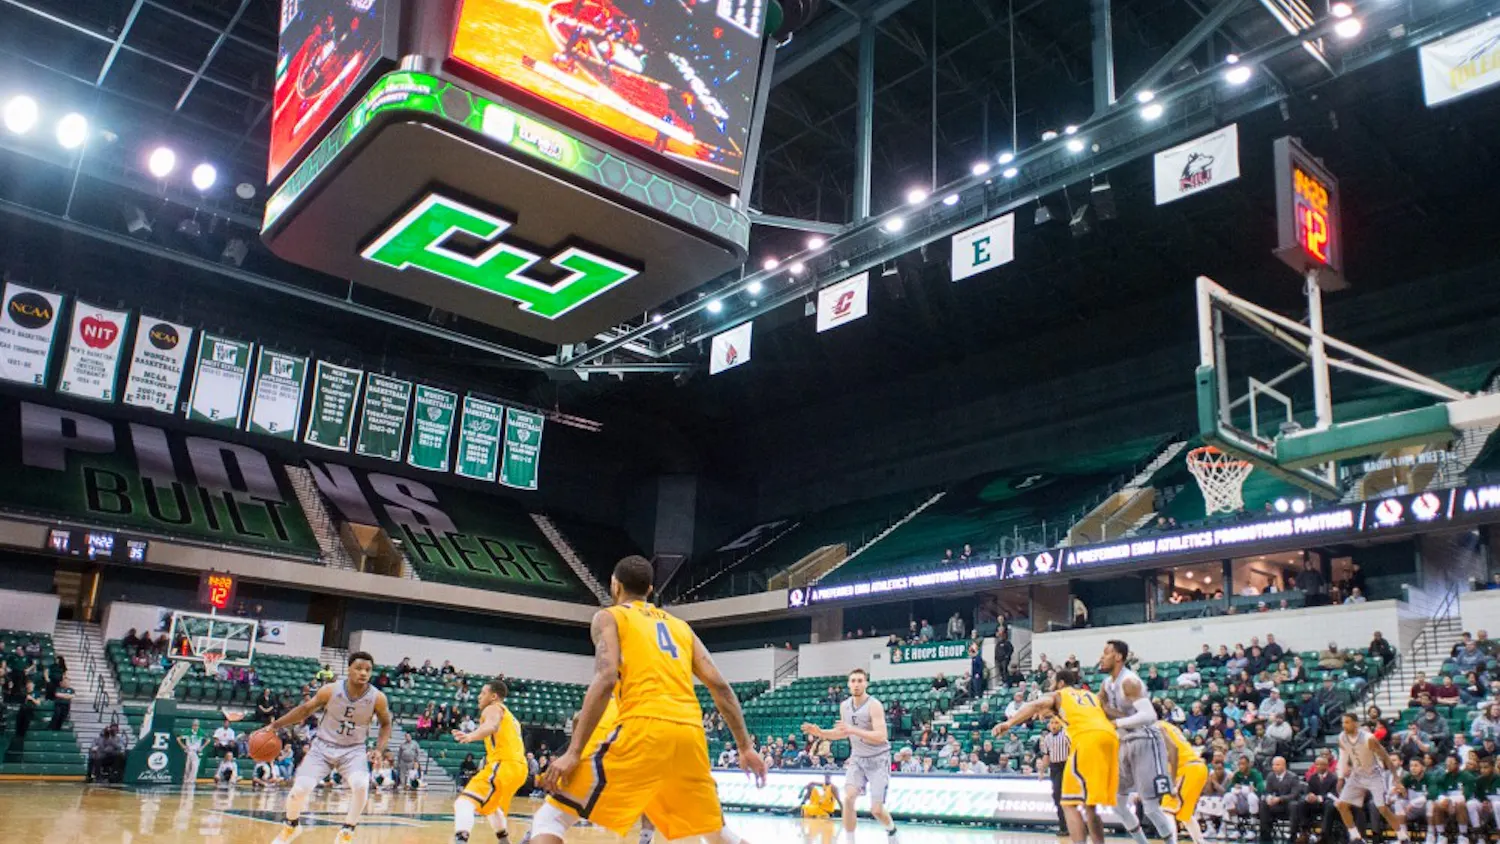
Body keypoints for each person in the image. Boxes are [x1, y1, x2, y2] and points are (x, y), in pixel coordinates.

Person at [531, 556, 766, 844]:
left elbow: (606, 678)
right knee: (717, 834)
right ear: (650, 590)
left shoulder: (610, 616)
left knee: (551, 817)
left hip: (643, 729)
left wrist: (572, 752)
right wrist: (745, 747)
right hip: (690, 736)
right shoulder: (682, 628)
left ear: (614, 586)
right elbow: (720, 686)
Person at [257, 651, 393, 844]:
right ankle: (291, 826)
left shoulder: (378, 698)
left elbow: (386, 724)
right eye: (359, 668)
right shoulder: (330, 690)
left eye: (368, 670)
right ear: (349, 669)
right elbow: (304, 710)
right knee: (299, 790)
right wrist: (274, 725)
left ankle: (347, 831)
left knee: (361, 785)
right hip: (322, 746)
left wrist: (379, 749)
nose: (363, 673)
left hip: (353, 749)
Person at [993, 667, 1117, 844]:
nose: (1051, 686)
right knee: (1089, 806)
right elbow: (1100, 712)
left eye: (1052, 682)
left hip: (1086, 739)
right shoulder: (1089, 695)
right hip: (1110, 737)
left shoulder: (1059, 694)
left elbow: (1035, 704)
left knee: (1068, 803)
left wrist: (1009, 722)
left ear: (1060, 683)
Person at [802, 667, 899, 840]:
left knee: (876, 810)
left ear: (866, 683)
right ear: (848, 684)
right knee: (848, 799)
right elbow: (843, 733)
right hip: (858, 759)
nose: (856, 684)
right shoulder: (844, 706)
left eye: (860, 681)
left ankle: (891, 830)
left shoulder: (874, 705)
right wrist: (821, 733)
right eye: (853, 681)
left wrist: (853, 730)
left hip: (878, 760)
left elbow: (881, 736)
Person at [1099, 640, 1178, 844]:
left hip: (1145, 740)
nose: (1101, 657)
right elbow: (1101, 708)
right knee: (1117, 803)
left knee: (1151, 807)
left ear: (1118, 657)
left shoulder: (1129, 681)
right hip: (1125, 741)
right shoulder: (1106, 684)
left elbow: (1150, 714)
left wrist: (1117, 721)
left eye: (1106, 653)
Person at [451, 677, 528, 844]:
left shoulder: (492, 708)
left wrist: (470, 736)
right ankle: (505, 841)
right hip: (519, 768)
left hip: (504, 764)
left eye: (483, 693)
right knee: (492, 808)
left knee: (464, 803)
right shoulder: (511, 716)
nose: (479, 696)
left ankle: (460, 841)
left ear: (493, 696)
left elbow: (491, 726)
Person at [1333, 712, 1410, 844]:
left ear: (1355, 723)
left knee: (1382, 808)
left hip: (1374, 774)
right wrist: (1340, 777)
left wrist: (1396, 778)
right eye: (1342, 723)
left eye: (1347, 722)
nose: (1344, 725)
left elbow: (1385, 756)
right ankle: (1356, 837)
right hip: (1357, 775)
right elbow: (1343, 757)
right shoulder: (1342, 737)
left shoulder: (1369, 738)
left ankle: (1403, 837)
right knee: (1341, 805)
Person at [1158, 716, 1210, 844]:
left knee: (1167, 810)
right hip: (1197, 768)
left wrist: (1172, 780)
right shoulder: (1169, 726)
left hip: (1187, 768)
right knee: (1184, 814)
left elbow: (1173, 751)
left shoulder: (1156, 726)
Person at [1038, 717, 1072, 838]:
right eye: (1052, 723)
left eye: (1056, 723)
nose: (1053, 725)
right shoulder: (1047, 738)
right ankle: (1063, 826)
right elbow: (1046, 756)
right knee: (1057, 797)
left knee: (1066, 797)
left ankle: (1072, 826)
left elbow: (1074, 751)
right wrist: (1042, 771)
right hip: (1054, 767)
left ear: (1061, 724)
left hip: (1066, 766)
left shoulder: (1066, 735)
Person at [1260, 756, 1306, 843]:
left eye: (1277, 765)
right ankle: (1265, 835)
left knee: (1293, 805)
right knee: (1263, 803)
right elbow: (1267, 791)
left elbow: (1294, 795)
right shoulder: (1270, 776)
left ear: (1284, 766)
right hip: (1276, 805)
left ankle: (1292, 835)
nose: (1274, 767)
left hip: (1288, 806)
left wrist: (1280, 799)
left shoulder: (1293, 777)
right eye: (1273, 765)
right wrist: (1269, 798)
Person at [1224, 755, 1265, 838]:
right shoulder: (1237, 774)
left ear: (1249, 764)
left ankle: (1252, 829)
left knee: (1252, 797)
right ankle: (1237, 828)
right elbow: (1228, 789)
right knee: (1228, 796)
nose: (1241, 766)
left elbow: (1261, 789)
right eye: (1239, 764)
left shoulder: (1256, 774)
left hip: (1253, 804)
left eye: (1243, 764)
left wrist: (1254, 789)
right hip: (1240, 803)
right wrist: (1233, 785)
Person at [178, 719, 207, 784]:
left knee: (195, 766)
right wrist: (183, 745)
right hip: (189, 750)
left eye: (197, 725)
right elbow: (178, 738)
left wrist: (202, 747)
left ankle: (191, 779)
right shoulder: (188, 732)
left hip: (196, 751)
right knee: (188, 766)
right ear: (192, 726)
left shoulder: (201, 732)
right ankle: (186, 778)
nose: (196, 727)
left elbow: (208, 739)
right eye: (194, 725)